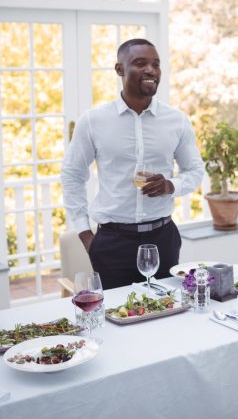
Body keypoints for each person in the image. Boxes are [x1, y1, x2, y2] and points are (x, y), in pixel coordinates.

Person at [61, 38, 203, 289]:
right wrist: (85, 233)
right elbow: (72, 176)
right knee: (117, 319)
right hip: (112, 243)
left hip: (163, 239)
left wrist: (170, 185)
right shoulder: (93, 121)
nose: (151, 70)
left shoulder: (177, 121)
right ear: (119, 69)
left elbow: (195, 171)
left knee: (168, 315)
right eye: (140, 63)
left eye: (156, 64)